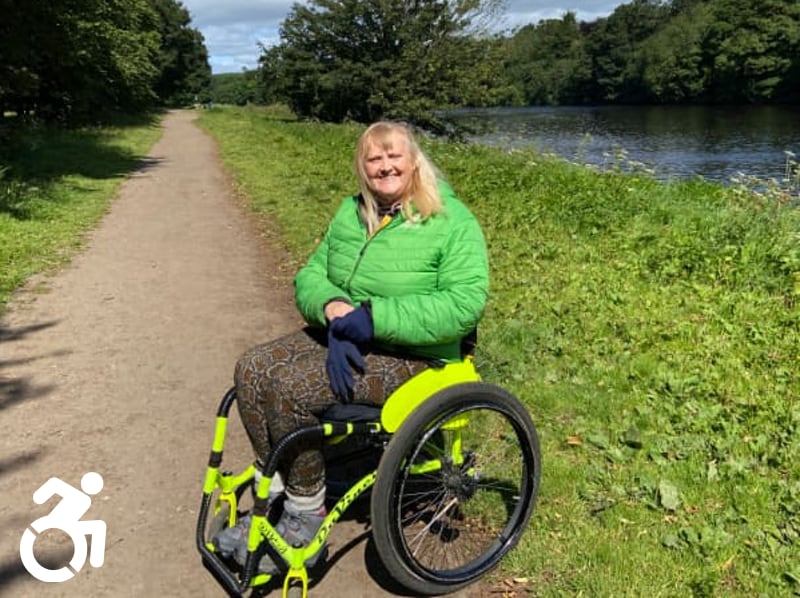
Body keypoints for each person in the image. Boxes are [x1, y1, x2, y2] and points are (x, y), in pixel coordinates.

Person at [213, 121, 489, 573]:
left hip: (417, 355)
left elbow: (464, 305)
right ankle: (277, 492)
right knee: (253, 368)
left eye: (394, 156)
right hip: (343, 333)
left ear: (414, 160)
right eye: (373, 159)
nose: (385, 167)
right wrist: (333, 305)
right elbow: (310, 274)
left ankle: (305, 515)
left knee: (291, 388)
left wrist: (374, 317)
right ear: (362, 168)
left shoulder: (450, 221)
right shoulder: (351, 213)